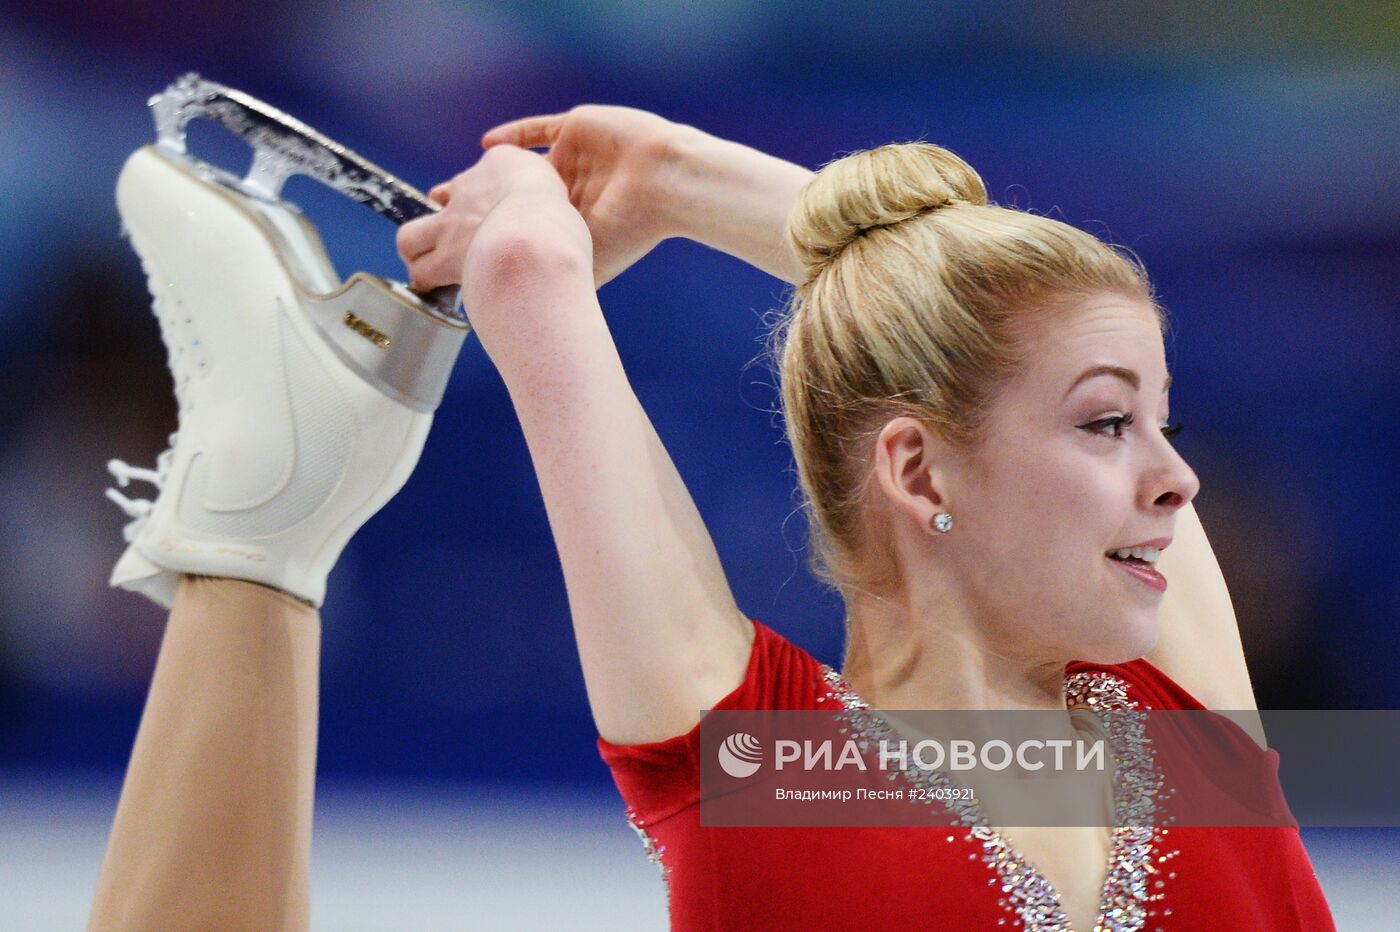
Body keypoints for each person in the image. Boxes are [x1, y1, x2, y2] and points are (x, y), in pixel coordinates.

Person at [398, 108, 1335, 930]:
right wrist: (536, 195)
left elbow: (937, 302)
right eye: (1106, 422)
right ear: (920, 473)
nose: (1179, 479)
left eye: (1161, 421)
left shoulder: (1188, 729)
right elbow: (527, 268)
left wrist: (680, 176)